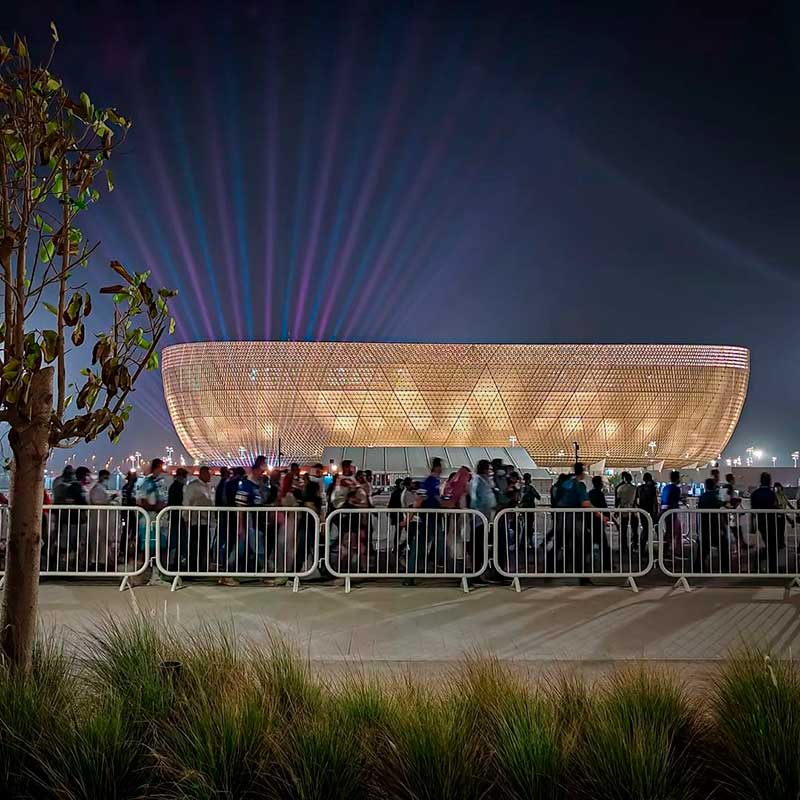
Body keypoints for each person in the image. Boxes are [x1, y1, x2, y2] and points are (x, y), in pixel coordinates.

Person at [549, 463, 594, 584]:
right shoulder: (579, 485)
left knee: (558, 545)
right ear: (582, 472)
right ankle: (582, 576)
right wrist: (599, 514)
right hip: (575, 519)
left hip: (562, 518)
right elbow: (585, 503)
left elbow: (557, 500)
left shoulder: (564, 484)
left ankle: (550, 570)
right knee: (581, 547)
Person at [692, 477, 729, 573]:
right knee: (723, 544)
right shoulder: (716, 496)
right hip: (715, 525)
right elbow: (721, 505)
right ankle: (725, 566)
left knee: (704, 547)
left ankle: (698, 566)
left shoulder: (702, 497)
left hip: (704, 525)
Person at [184, 466, 214, 571]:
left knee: (204, 546)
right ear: (202, 474)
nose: (210, 476)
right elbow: (186, 503)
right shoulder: (193, 487)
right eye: (208, 474)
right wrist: (187, 519)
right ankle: (192, 569)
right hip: (196, 521)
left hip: (206, 522)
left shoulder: (208, 487)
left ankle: (201, 568)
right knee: (195, 546)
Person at [751, 472, 781, 573]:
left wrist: (752, 526)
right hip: (771, 522)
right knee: (773, 545)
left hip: (761, 522)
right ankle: (772, 568)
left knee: (769, 544)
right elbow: (776, 506)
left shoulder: (755, 494)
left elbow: (752, 510)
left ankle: (760, 560)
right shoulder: (771, 494)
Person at [588, 475, 614, 568]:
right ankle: (607, 564)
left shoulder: (590, 493)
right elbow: (604, 507)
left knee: (588, 543)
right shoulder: (599, 494)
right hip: (598, 521)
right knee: (603, 545)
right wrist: (609, 518)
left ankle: (585, 563)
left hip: (590, 521)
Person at [166, 469, 189, 570]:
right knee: (179, 539)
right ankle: (175, 562)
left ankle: (174, 561)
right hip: (178, 517)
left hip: (174, 516)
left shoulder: (173, 486)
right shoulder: (178, 487)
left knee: (177, 539)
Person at [615, 471, 639, 553]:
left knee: (623, 529)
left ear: (624, 479)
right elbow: (636, 500)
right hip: (633, 510)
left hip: (623, 510)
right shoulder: (635, 488)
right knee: (634, 529)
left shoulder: (620, 488)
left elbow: (617, 500)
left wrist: (616, 511)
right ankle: (635, 545)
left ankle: (623, 547)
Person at [661, 470, 683, 555]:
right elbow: (674, 500)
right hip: (672, 512)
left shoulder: (666, 487)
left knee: (671, 531)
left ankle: (668, 550)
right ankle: (669, 551)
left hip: (666, 512)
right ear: (677, 478)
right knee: (672, 531)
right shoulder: (676, 489)